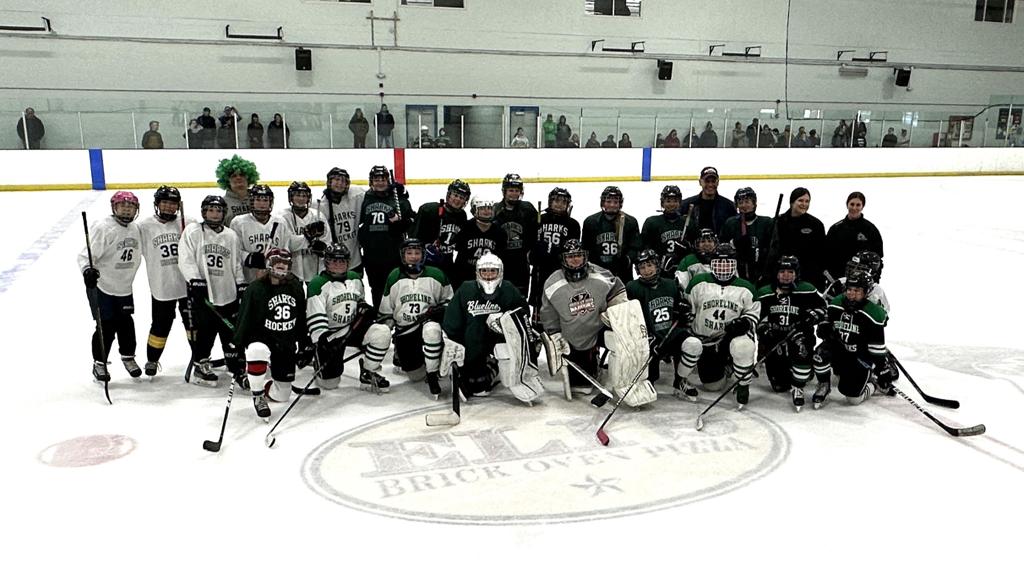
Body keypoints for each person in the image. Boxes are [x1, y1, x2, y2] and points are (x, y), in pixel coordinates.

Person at [441, 254, 543, 402]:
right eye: (484, 271)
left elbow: (523, 317)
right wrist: (454, 345)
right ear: (477, 272)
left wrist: (504, 321)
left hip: (499, 341)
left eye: (492, 271)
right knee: (478, 386)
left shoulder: (508, 289)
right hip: (472, 344)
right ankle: (486, 369)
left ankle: (508, 373)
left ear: (500, 272)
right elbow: (452, 322)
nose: (488, 276)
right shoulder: (466, 289)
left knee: (504, 350)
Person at [540, 239, 629, 397]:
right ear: (563, 259)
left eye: (578, 255)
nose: (575, 259)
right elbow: (548, 313)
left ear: (585, 256)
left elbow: (617, 290)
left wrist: (615, 312)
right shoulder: (552, 283)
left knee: (622, 342)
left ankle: (620, 380)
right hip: (573, 337)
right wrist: (555, 335)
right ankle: (590, 360)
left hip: (599, 327)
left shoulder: (600, 274)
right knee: (582, 386)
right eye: (570, 256)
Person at [676, 243, 759, 409]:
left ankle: (742, 385)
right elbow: (688, 309)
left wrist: (744, 322)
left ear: (735, 265)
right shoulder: (698, 282)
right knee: (713, 386)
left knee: (743, 346)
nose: (723, 268)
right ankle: (725, 368)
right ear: (711, 264)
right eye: (719, 263)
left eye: (728, 263)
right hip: (706, 341)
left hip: (730, 339)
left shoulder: (746, 287)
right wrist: (683, 311)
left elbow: (753, 313)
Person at [177, 195, 246, 386]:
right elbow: (185, 258)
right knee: (205, 332)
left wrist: (240, 283)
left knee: (230, 333)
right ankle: (201, 365)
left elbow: (236, 262)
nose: (215, 214)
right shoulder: (193, 231)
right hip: (204, 294)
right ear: (204, 212)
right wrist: (194, 280)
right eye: (211, 210)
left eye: (218, 211)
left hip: (227, 293)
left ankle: (234, 364)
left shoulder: (231, 235)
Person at [307, 244, 393, 392]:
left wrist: (363, 307)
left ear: (348, 262)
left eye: (342, 261)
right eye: (334, 261)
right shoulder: (317, 283)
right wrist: (323, 340)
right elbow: (315, 317)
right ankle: (318, 363)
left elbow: (359, 301)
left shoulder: (355, 278)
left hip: (353, 327)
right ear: (326, 262)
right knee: (330, 384)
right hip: (331, 335)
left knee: (382, 332)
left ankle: (368, 371)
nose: (338, 265)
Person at [234, 248, 307, 419]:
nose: (281, 266)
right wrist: (237, 346)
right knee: (256, 350)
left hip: (285, 342)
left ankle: (260, 380)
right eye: (277, 262)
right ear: (268, 264)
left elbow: (300, 317)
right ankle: (258, 394)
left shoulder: (296, 287)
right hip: (262, 338)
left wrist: (305, 343)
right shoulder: (254, 289)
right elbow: (244, 318)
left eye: (285, 263)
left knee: (282, 395)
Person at [79, 192, 144, 384]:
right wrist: (87, 270)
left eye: (130, 207)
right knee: (106, 325)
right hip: (102, 285)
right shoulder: (103, 227)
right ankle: (99, 363)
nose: (127, 210)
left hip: (124, 286)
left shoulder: (135, 228)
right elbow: (85, 256)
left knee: (126, 323)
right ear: (114, 207)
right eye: (122, 206)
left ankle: (128, 357)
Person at [380, 239, 453, 398]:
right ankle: (413, 356)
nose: (413, 257)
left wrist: (441, 310)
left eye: (417, 253)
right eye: (409, 253)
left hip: (428, 325)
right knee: (416, 376)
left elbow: (449, 301)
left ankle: (432, 373)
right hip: (406, 330)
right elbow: (386, 310)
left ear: (423, 255)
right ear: (403, 255)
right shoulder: (394, 276)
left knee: (432, 330)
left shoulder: (437, 274)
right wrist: (386, 331)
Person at [755, 256, 826, 411]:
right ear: (776, 273)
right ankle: (789, 370)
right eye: (782, 272)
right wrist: (764, 331)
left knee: (802, 355)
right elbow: (756, 317)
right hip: (775, 339)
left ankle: (800, 382)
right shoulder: (765, 292)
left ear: (796, 273)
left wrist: (812, 316)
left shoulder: (807, 289)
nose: (786, 275)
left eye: (790, 272)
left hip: (799, 335)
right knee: (779, 386)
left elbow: (823, 309)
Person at [811, 271, 889, 408]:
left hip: (860, 356)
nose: (851, 294)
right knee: (819, 356)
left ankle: (873, 385)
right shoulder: (836, 303)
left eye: (857, 291)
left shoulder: (874, 313)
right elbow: (826, 322)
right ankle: (824, 384)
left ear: (866, 292)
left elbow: (876, 348)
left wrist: (882, 369)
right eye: (849, 289)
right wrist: (824, 327)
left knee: (853, 398)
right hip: (839, 349)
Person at [137, 186, 193, 378]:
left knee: (193, 325)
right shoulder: (144, 226)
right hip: (162, 285)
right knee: (160, 325)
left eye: (173, 203)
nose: (169, 206)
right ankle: (152, 359)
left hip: (187, 285)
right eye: (165, 202)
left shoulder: (189, 223)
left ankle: (200, 356)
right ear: (157, 204)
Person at [626, 249, 689, 385]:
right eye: (642, 267)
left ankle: (680, 381)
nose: (646, 270)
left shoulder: (671, 284)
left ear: (657, 265)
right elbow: (630, 318)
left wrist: (683, 311)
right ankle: (648, 381)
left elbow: (679, 309)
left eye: (650, 265)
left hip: (670, 333)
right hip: (649, 337)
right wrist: (646, 336)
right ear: (637, 270)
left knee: (693, 345)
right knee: (650, 379)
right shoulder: (632, 288)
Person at [358, 165, 414, 307]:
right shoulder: (364, 199)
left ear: (388, 181)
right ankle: (379, 315)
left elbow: (411, 222)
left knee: (396, 287)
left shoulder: (398, 199)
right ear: (371, 181)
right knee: (376, 289)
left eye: (383, 179)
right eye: (376, 179)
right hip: (372, 255)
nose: (380, 182)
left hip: (393, 254)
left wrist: (400, 223)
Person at [231, 184, 306, 284]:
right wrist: (249, 258)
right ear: (252, 201)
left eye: (265, 200)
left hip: (275, 279)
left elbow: (286, 247)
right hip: (249, 280)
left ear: (270, 202)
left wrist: (307, 238)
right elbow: (234, 252)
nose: (262, 204)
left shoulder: (280, 222)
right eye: (258, 200)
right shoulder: (238, 222)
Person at [529, 188, 580, 324]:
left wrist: (555, 252)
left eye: (563, 202)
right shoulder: (539, 220)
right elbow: (530, 246)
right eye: (556, 201)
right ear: (550, 202)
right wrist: (535, 253)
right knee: (539, 309)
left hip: (561, 270)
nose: (559, 204)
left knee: (561, 305)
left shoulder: (573, 224)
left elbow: (573, 249)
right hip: (540, 270)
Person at [766, 187, 827, 290]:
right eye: (800, 200)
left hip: (809, 277)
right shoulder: (778, 222)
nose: (804, 204)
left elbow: (821, 254)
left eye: (807, 201)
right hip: (784, 276)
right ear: (792, 202)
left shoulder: (816, 224)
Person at [582, 186, 641, 284]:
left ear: (620, 203)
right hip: (597, 273)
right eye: (608, 201)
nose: (612, 205)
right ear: (602, 202)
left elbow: (635, 248)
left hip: (622, 274)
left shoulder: (630, 222)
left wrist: (627, 260)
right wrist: (594, 263)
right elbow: (586, 248)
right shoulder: (590, 222)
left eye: (615, 202)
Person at [413, 179, 470, 277]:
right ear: (449, 195)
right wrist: (425, 249)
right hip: (426, 264)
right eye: (455, 195)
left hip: (447, 264)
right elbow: (415, 237)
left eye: (462, 197)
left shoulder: (462, 216)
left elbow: (459, 244)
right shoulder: (429, 210)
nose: (458, 199)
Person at [494, 173, 538, 296]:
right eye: (511, 190)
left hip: (521, 265)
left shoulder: (528, 209)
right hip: (501, 264)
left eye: (517, 191)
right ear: (504, 191)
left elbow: (535, 233)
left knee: (520, 298)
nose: (514, 194)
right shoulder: (495, 210)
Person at [824, 191, 884, 281]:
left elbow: (878, 259)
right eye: (852, 204)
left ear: (862, 206)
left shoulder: (870, 229)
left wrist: (874, 280)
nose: (854, 208)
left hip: (862, 282)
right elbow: (827, 256)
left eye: (858, 205)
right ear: (847, 205)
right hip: (839, 279)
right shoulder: (836, 229)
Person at [719, 187, 773, 284]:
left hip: (761, 275)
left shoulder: (766, 223)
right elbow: (722, 247)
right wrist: (734, 246)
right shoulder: (730, 224)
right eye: (740, 202)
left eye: (747, 202)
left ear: (754, 204)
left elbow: (772, 249)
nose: (744, 205)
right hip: (736, 275)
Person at [453, 194, 507, 290]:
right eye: (482, 208)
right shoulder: (465, 228)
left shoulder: (500, 232)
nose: (486, 211)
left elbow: (501, 258)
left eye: (489, 208)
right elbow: (458, 252)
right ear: (474, 210)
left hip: (489, 277)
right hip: (465, 276)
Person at [640, 185, 694, 278]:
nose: (672, 204)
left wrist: (688, 246)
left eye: (675, 201)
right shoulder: (652, 222)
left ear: (680, 203)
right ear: (662, 203)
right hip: (659, 271)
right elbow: (644, 248)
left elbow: (696, 247)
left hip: (683, 269)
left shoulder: (688, 223)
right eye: (668, 201)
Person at [318, 167, 365, 272]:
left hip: (355, 261)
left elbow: (375, 193)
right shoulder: (321, 206)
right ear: (329, 182)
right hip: (333, 264)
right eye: (337, 179)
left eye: (343, 181)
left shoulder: (356, 196)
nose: (340, 183)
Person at [282, 181, 328, 283]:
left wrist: (323, 248)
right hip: (293, 269)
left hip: (314, 266)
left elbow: (327, 240)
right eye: (297, 195)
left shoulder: (318, 215)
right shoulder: (283, 217)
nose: (301, 199)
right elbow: (287, 244)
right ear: (291, 197)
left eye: (304, 196)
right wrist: (308, 238)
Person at [822, 251, 890, 315]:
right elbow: (823, 306)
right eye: (853, 266)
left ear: (870, 272)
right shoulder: (840, 283)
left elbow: (882, 316)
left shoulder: (877, 291)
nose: (854, 270)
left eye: (859, 268)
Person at [679, 166, 735, 234]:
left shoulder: (729, 206)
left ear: (718, 182)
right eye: (707, 181)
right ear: (700, 182)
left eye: (713, 181)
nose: (710, 185)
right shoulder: (686, 205)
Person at [214, 154, 259, 227]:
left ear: (249, 178)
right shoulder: (222, 203)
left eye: (242, 175)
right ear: (227, 180)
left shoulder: (257, 199)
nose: (238, 178)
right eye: (234, 176)